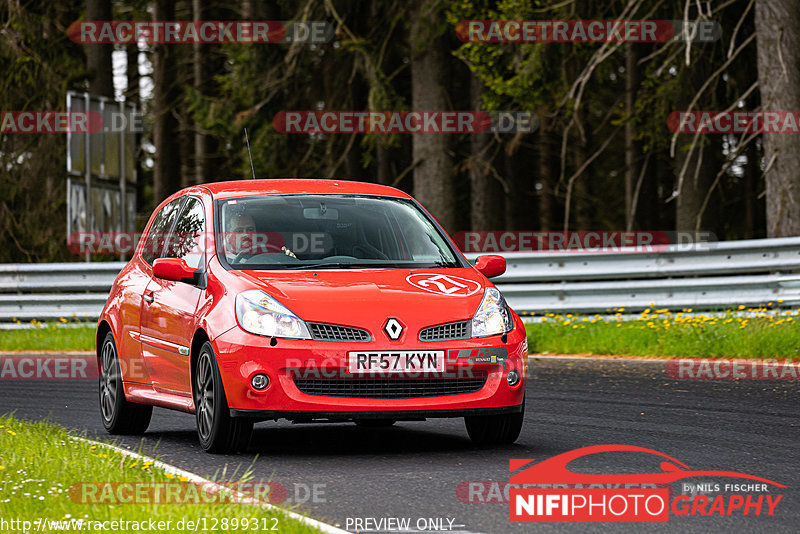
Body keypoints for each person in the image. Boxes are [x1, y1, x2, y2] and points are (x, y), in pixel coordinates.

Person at [225, 212, 296, 263]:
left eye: (250, 230)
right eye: (239, 231)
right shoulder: (223, 261)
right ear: (228, 236)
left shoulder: (269, 251)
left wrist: (289, 259)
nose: (246, 234)